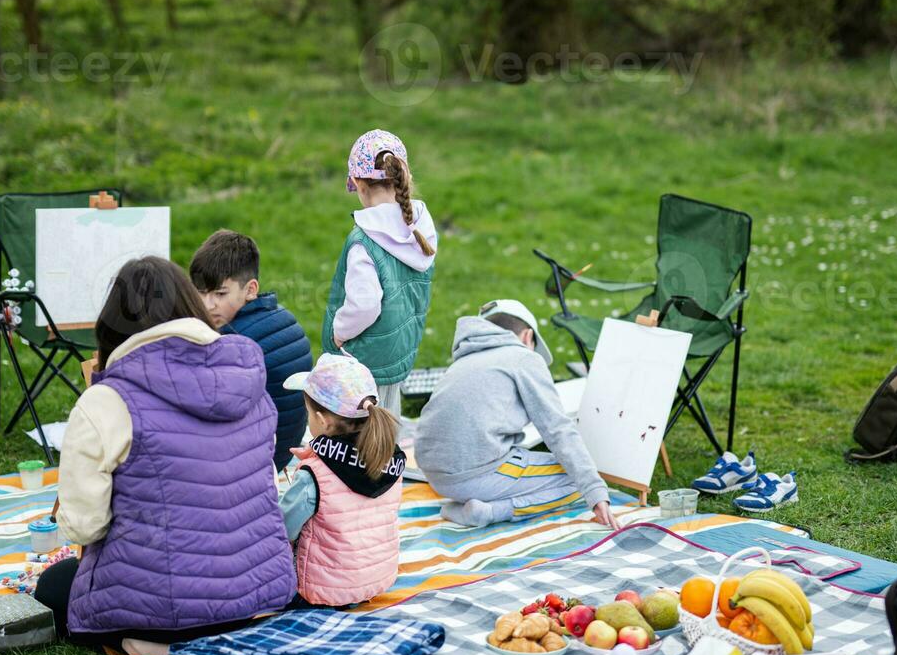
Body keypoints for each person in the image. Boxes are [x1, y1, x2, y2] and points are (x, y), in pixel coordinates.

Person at [35, 256, 296, 655]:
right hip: (258, 595)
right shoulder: (247, 377)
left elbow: (84, 526)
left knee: (53, 586)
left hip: (162, 611)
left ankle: (146, 644)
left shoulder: (106, 400)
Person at [415, 299, 620, 530]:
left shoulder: (464, 360)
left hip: (434, 476)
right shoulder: (524, 358)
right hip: (478, 473)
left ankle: (471, 503)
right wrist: (594, 490)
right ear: (526, 337)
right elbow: (557, 428)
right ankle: (488, 512)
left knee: (570, 473)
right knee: (580, 481)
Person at [321, 129, 437, 415]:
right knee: (388, 427)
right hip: (398, 353)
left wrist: (339, 331)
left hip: (363, 361)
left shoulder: (363, 241)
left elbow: (365, 305)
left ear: (359, 184)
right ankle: (388, 460)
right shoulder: (420, 230)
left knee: (360, 438)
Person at [276, 354, 406, 607]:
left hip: (318, 591)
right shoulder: (391, 457)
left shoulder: (315, 472)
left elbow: (282, 528)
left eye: (308, 414)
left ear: (322, 420)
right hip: (376, 579)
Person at [190, 229, 312, 470]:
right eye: (201, 293)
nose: (208, 304)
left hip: (252, 463)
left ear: (251, 289)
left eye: (220, 293)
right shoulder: (285, 318)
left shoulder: (230, 342)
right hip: (285, 451)